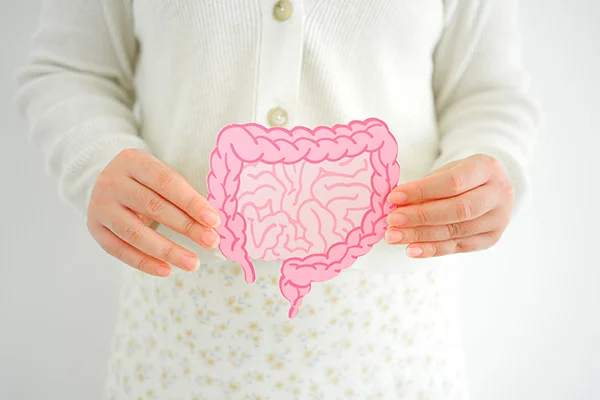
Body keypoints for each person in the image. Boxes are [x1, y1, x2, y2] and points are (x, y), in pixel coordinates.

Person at [16, 0, 540, 398]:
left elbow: (485, 90)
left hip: (390, 344)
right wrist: (96, 158)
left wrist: (489, 164)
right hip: (180, 339)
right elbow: (71, 70)